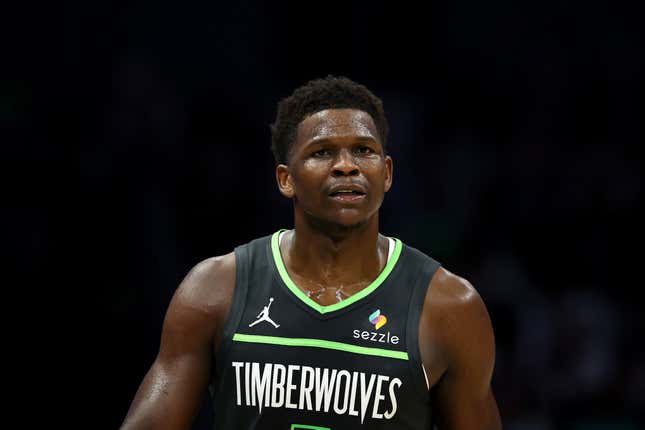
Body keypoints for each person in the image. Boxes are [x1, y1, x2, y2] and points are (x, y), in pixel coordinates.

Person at [121, 75, 502, 429]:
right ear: (286, 179)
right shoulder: (215, 288)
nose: (346, 167)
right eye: (322, 153)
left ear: (386, 173)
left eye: (363, 150)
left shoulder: (450, 307)